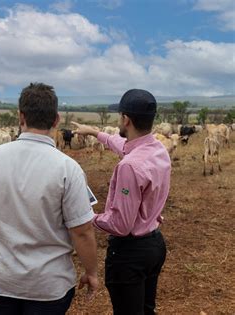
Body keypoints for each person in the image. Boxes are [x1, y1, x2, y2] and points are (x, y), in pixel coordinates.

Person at [0, 83, 99, 314]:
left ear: (21, 117)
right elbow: (82, 231)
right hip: (49, 286)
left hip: (1, 281)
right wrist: (91, 272)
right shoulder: (68, 168)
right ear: (57, 120)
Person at [72, 89, 170, 315]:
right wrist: (95, 133)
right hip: (154, 245)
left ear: (126, 119)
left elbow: (120, 224)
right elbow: (123, 145)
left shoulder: (129, 166)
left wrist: (87, 217)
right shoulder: (158, 150)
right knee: (146, 309)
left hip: (130, 253)